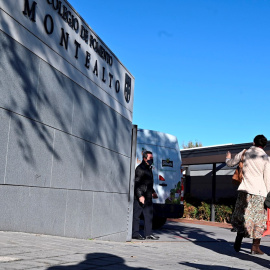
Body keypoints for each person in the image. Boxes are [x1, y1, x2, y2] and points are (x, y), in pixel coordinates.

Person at [226, 135, 270, 255]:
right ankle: (255, 247)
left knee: (242, 215)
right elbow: (268, 179)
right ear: (264, 146)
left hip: (244, 190)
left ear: (253, 142)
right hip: (259, 193)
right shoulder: (266, 158)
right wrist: (268, 194)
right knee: (259, 220)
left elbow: (230, 163)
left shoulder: (244, 152)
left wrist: (227, 158)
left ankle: (239, 236)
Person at [132, 151, 159, 240]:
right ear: (144, 158)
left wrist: (153, 191)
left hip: (148, 196)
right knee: (137, 215)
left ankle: (148, 234)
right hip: (140, 196)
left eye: (152, 158)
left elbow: (148, 183)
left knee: (149, 216)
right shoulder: (140, 169)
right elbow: (137, 183)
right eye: (150, 158)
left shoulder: (149, 169)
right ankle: (135, 233)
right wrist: (140, 196)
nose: (152, 160)